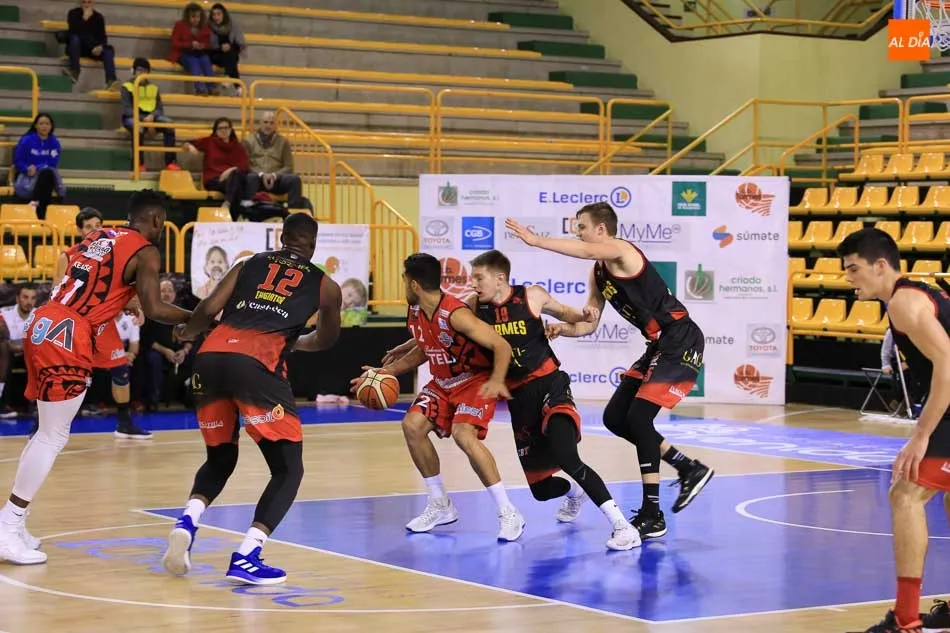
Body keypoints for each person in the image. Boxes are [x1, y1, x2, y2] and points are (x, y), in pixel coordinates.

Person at [382, 250, 640, 550]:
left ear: (499, 278)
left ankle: (623, 526)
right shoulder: (473, 306)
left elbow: (567, 314)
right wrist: (404, 349)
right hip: (520, 399)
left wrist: (582, 317)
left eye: (479, 278)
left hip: (549, 385)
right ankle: (575, 492)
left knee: (567, 456)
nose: (472, 283)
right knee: (541, 489)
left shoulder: (531, 296)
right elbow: (439, 332)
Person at [0, 189, 192, 566]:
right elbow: (155, 308)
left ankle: (13, 523)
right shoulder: (146, 251)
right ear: (157, 220)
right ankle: (7, 527)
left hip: (44, 320)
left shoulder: (100, 236)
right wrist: (200, 318)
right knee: (53, 435)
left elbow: (81, 277)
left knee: (45, 433)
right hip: (69, 331)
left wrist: (125, 299)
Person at [505, 203, 714, 540]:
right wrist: (563, 328)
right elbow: (589, 324)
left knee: (640, 419)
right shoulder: (598, 274)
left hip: (679, 337)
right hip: (658, 345)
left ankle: (653, 513)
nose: (578, 233)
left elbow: (588, 250)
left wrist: (536, 240)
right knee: (615, 418)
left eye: (582, 227)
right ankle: (688, 467)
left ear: (601, 230)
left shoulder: (622, 250)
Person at [161, 213, 342, 586]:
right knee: (288, 469)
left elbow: (207, 309)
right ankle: (247, 555)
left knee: (220, 457)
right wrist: (295, 342)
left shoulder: (248, 263)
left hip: (210, 357)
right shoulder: (326, 285)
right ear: (313, 244)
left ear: (281, 237)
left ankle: (187, 521)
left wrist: (187, 332)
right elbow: (326, 339)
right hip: (256, 363)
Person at [351, 253, 525, 541]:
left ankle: (508, 511)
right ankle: (441, 504)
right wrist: (382, 374)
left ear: (414, 284)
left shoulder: (456, 313)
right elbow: (424, 348)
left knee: (463, 435)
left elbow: (501, 345)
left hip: (473, 380)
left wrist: (496, 381)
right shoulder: (416, 311)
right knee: (412, 426)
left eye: (404, 280)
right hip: (442, 384)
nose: (403, 285)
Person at [838, 228, 950, 633]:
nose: (849, 278)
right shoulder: (919, 293)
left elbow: (948, 364)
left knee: (905, 494)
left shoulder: (904, 302)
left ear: (881, 265)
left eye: (854, 269)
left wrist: (920, 436)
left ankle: (906, 621)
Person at [51, 207, 150, 438]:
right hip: (74, 323)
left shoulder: (113, 256)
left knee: (120, 369)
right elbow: (57, 293)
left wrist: (134, 305)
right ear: (79, 231)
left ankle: (124, 423)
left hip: (102, 323)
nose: (94, 230)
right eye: (88, 227)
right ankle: (42, 424)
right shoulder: (68, 257)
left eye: (98, 226)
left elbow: (118, 291)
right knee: (61, 374)